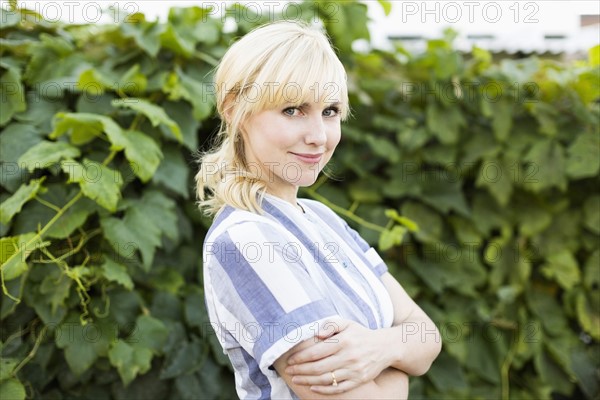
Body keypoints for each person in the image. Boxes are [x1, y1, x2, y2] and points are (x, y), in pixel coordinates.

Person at [196, 20, 441, 399]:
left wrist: (381, 349)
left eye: (329, 111)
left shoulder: (324, 220)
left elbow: (427, 335)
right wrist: (400, 370)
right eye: (293, 110)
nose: (318, 136)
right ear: (235, 111)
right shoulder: (245, 238)